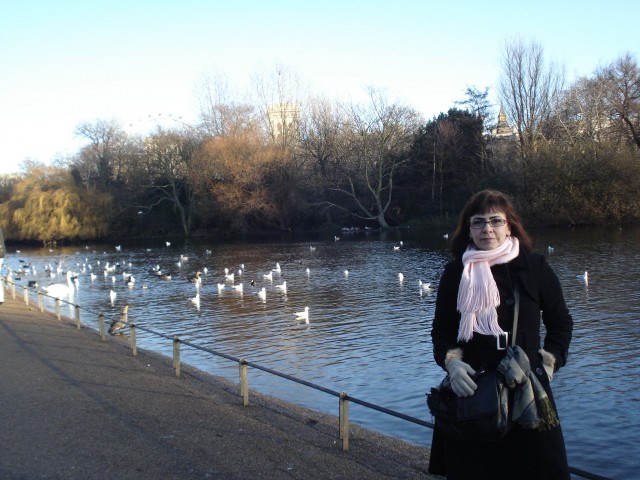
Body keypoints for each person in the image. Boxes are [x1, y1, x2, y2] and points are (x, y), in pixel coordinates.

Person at [428, 190, 573, 480]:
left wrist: (548, 363)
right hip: (472, 390)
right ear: (468, 228)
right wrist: (452, 364)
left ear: (509, 225)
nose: (487, 229)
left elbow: (561, 323)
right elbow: (441, 331)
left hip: (526, 386)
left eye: (496, 221)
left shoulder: (535, 268)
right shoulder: (455, 273)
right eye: (478, 222)